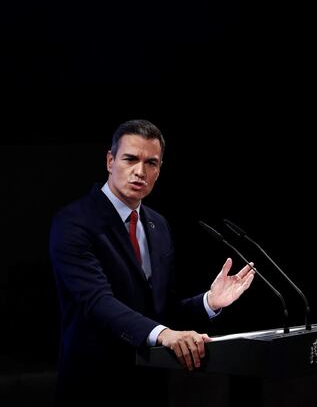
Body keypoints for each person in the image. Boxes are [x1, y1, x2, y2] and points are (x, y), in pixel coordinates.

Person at [49, 119, 255, 406]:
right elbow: (97, 302)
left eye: (151, 163)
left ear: (159, 171)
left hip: (149, 386)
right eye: (130, 159)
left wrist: (210, 302)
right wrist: (164, 335)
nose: (140, 172)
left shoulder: (158, 225)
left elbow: (162, 311)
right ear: (110, 161)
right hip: (94, 386)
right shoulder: (74, 223)